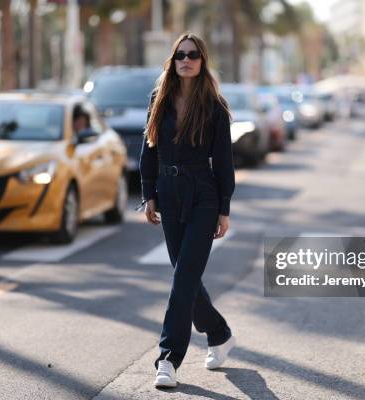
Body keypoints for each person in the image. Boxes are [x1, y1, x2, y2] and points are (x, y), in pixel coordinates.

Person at [138, 32, 236, 389]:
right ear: (173, 59)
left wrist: (224, 208)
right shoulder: (159, 98)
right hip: (168, 191)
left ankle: (168, 358)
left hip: (203, 195)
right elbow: (148, 149)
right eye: (180, 54)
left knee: (183, 278)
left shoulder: (214, 106)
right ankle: (220, 333)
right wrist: (149, 194)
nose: (186, 60)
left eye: (193, 55)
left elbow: (223, 161)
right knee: (187, 276)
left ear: (202, 60)